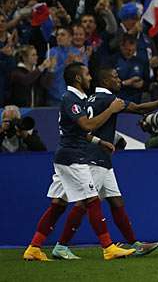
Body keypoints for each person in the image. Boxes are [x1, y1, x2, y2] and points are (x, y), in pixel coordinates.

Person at [49, 67, 158, 259]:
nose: (119, 80)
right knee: (83, 203)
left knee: (116, 200)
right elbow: (140, 109)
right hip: (93, 159)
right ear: (105, 82)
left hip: (98, 157)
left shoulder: (89, 99)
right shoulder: (108, 100)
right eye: (114, 77)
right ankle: (61, 245)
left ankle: (135, 244)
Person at [22, 62, 135, 261]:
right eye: (86, 74)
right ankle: (108, 248)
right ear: (77, 78)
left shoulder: (78, 99)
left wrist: (101, 141)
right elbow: (87, 124)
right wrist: (110, 109)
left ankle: (34, 247)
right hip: (73, 157)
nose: (90, 77)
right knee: (92, 200)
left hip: (67, 155)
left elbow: (80, 131)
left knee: (58, 204)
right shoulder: (70, 98)